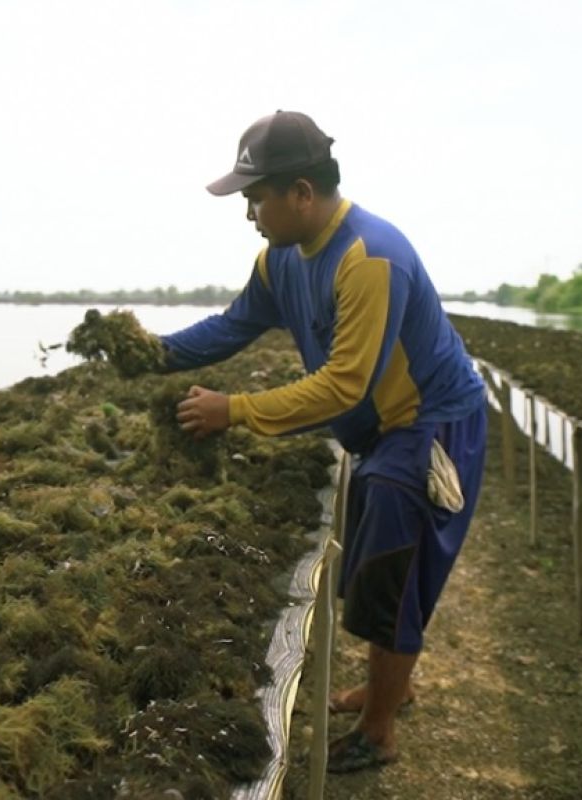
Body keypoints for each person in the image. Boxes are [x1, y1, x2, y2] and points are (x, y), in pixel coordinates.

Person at [159, 110, 488, 773]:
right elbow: (231, 328)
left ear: (301, 193)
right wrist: (150, 354)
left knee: (391, 570)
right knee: (374, 566)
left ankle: (380, 729)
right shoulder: (280, 259)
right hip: (381, 429)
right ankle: (387, 685)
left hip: (429, 425)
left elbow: (344, 385)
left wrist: (237, 409)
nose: (250, 212)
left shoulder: (370, 258)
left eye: (257, 197)